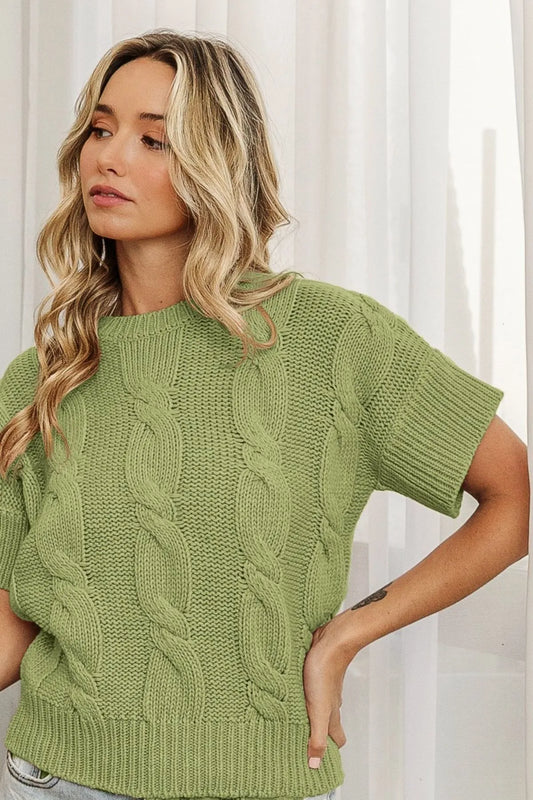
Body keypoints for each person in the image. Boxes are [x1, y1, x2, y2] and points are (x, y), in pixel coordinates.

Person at [0, 26, 528, 800]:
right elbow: (16, 611)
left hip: (267, 781)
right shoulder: (43, 377)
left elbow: (512, 496)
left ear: (217, 162)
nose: (109, 158)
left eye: (154, 140)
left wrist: (346, 634)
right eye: (100, 130)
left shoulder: (331, 338)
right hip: (60, 778)